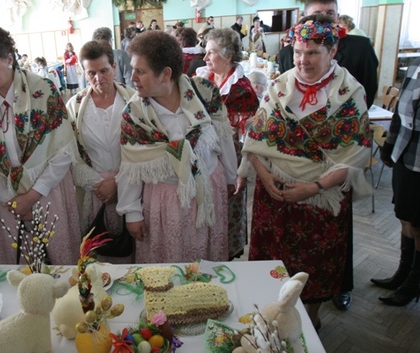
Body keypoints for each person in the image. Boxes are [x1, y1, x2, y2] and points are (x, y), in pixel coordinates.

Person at [240, 14, 372, 329]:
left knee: (313, 272)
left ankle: (309, 326)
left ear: (333, 50)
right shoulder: (279, 86)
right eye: (299, 51)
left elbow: (353, 155)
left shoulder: (350, 93)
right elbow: (255, 138)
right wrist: (263, 173)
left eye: (313, 52)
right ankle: (269, 319)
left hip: (321, 197)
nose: (303, 60)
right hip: (275, 195)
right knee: (272, 266)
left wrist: (313, 187)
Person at [276, 0, 379, 311]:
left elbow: (367, 94)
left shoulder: (359, 49)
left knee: (329, 246)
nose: (319, 20)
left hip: (333, 167)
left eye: (328, 15)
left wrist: (332, 136)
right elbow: (279, 110)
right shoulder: (288, 53)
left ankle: (334, 288)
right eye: (310, 16)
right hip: (290, 171)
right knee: (288, 249)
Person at [0, 23, 81, 265]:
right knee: (18, 274)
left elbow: (62, 149)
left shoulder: (43, 90)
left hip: (47, 194)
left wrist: (32, 196)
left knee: (58, 271)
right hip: (5, 201)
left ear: (8, 58)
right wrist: (13, 200)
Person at [117, 31, 237, 263]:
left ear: (166, 74)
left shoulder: (203, 92)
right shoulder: (135, 115)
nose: (132, 78)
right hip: (166, 201)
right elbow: (132, 166)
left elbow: (223, 137)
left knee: (206, 256)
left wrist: (231, 177)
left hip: (208, 191)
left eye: (140, 71)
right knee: (169, 259)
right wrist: (132, 213)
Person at [66, 40, 135, 262]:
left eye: (104, 71)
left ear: (114, 67)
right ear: (83, 73)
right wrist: (99, 184)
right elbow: (70, 154)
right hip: (93, 192)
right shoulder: (74, 107)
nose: (98, 79)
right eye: (91, 73)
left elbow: (147, 148)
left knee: (131, 252)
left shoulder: (135, 100)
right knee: (98, 258)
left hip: (132, 187)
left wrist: (117, 183)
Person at [196, 28, 260, 259]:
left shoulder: (241, 89)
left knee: (229, 206)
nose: (205, 58)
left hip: (230, 158)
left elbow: (248, 136)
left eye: (210, 52)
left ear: (228, 55)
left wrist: (240, 171)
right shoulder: (203, 79)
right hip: (204, 157)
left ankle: (226, 255)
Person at [372, 58, 420, 306]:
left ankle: (414, 283)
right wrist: (388, 147)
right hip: (405, 156)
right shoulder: (415, 65)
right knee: (405, 216)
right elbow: (400, 113)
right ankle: (402, 273)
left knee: (419, 222)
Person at [277, 0, 378, 107]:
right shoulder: (287, 54)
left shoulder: (361, 47)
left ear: (337, 17)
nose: (324, 19)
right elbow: (285, 93)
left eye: (330, 14)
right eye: (317, 14)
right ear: (305, 18)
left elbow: (369, 89)